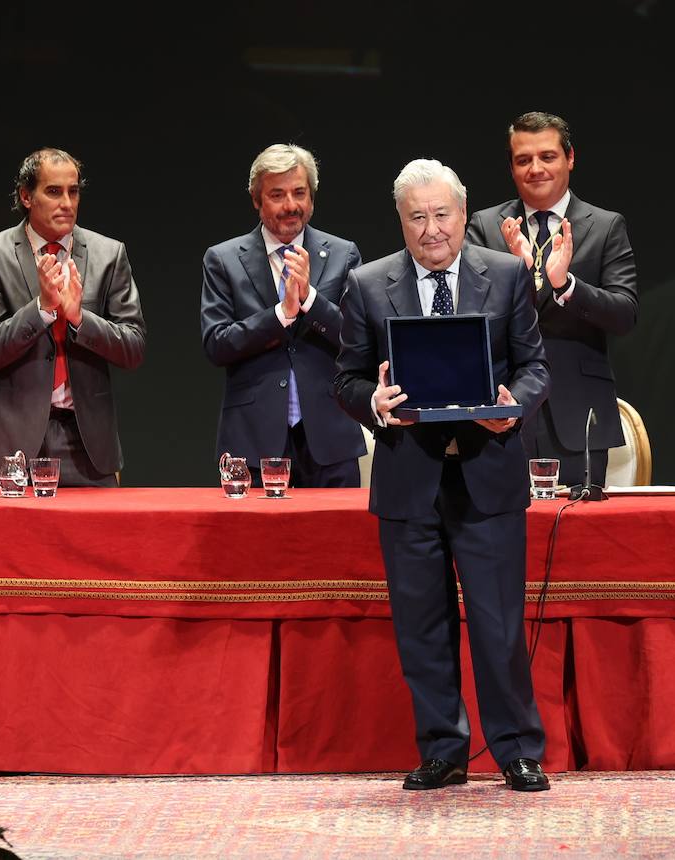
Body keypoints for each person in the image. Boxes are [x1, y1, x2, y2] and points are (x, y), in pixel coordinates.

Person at [333, 159, 551, 792]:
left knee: (499, 624)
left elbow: (535, 366)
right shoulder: (367, 284)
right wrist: (373, 403)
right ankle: (443, 749)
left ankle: (516, 749)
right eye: (417, 217)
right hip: (410, 479)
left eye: (442, 214)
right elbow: (345, 379)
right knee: (422, 626)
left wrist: (512, 405)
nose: (432, 229)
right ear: (400, 222)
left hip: (488, 474)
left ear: (464, 212)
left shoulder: (506, 274)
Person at [466, 111, 636, 488]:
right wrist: (518, 275)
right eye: (523, 160)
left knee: (577, 524)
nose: (536, 169)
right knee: (498, 519)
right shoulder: (485, 226)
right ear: (511, 167)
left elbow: (624, 314)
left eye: (547, 156)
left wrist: (567, 286)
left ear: (570, 158)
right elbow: (469, 315)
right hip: (502, 408)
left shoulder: (605, 225)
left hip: (578, 411)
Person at [0, 148, 146, 486]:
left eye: (73, 191)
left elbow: (133, 348)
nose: (67, 203)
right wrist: (41, 311)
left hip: (87, 445)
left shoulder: (109, 254)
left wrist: (80, 318)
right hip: (12, 440)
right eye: (53, 191)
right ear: (26, 196)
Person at [201, 144, 365, 486]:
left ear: (312, 197)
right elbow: (217, 344)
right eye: (277, 195)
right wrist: (281, 314)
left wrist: (310, 300)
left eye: (299, 193)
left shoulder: (343, 254)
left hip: (330, 440)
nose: (291, 205)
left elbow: (358, 341)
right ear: (256, 199)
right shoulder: (223, 260)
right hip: (252, 441)